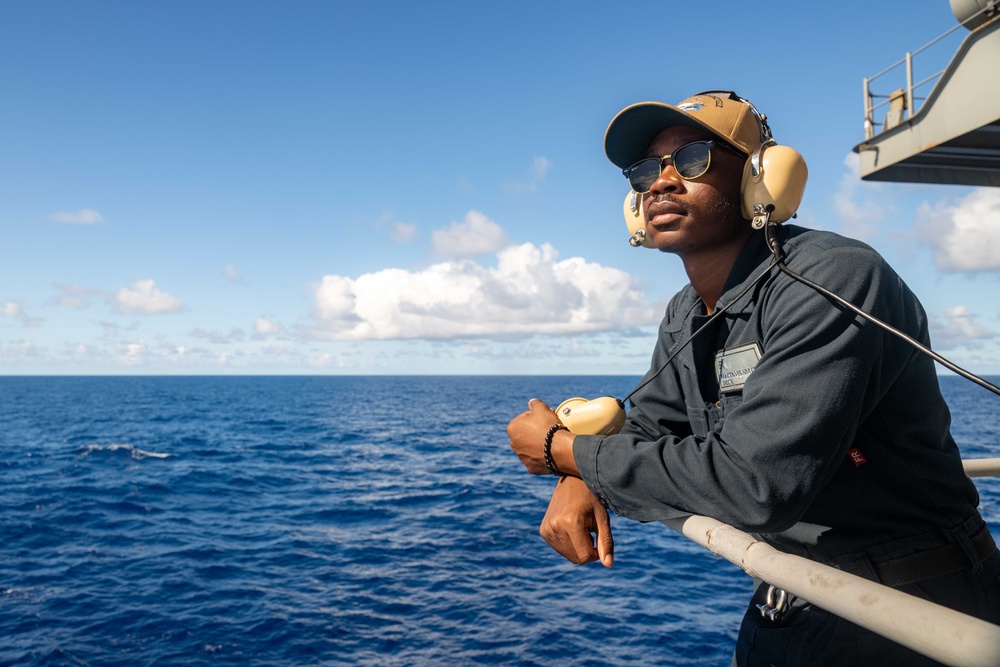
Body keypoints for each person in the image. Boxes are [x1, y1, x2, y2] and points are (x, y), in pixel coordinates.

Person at [507, 90, 1000, 666]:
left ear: (759, 177)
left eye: (691, 160)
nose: (659, 183)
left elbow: (755, 485)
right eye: (644, 172)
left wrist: (562, 450)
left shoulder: (833, 276)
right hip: (791, 600)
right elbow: (646, 423)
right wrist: (577, 474)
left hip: (915, 606)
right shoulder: (686, 310)